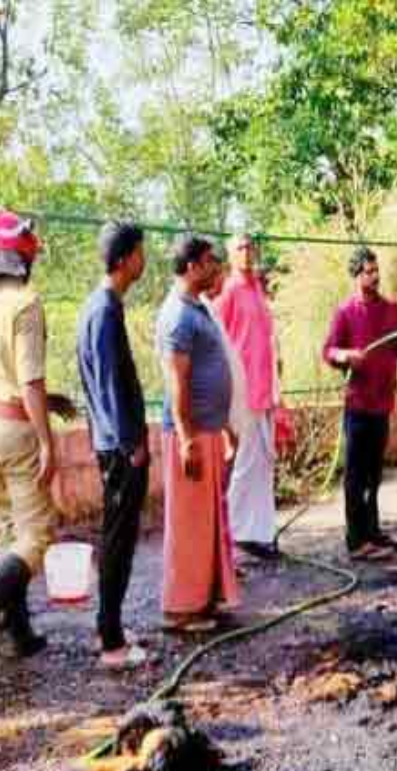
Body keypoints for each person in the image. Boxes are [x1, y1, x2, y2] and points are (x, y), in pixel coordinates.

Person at [0, 210, 65, 662]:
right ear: (23, 256)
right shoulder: (24, 302)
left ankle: (20, 634)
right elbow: (28, 379)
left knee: (8, 529)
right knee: (36, 535)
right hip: (15, 428)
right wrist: (47, 440)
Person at [155, 235, 243, 631]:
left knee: (207, 521)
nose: (214, 267)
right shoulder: (177, 314)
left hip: (208, 430)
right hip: (189, 435)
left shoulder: (197, 308)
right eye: (208, 261)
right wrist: (188, 439)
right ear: (191, 266)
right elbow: (177, 380)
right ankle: (181, 608)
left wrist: (223, 425)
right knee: (189, 525)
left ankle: (204, 599)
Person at [76, 221, 152, 669]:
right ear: (125, 259)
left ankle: (111, 625)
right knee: (119, 540)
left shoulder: (100, 306)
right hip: (120, 448)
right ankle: (111, 642)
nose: (145, 260)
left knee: (117, 536)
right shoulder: (103, 310)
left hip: (112, 442)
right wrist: (130, 442)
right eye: (141, 252)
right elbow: (106, 384)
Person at [322, 247, 397, 561]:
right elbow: (329, 350)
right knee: (356, 475)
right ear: (356, 276)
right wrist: (345, 356)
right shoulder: (345, 312)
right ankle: (356, 541)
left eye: (376, 270)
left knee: (374, 474)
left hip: (383, 402)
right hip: (358, 404)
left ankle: (372, 529)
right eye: (368, 271)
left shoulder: (391, 309)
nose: (375, 276)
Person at [212, 234, 281, 560]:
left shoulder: (257, 289)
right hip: (244, 391)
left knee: (263, 463)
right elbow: (217, 341)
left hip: (266, 388)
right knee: (246, 464)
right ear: (229, 255)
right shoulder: (229, 293)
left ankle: (262, 531)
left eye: (250, 247)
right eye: (239, 248)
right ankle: (240, 531)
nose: (247, 253)